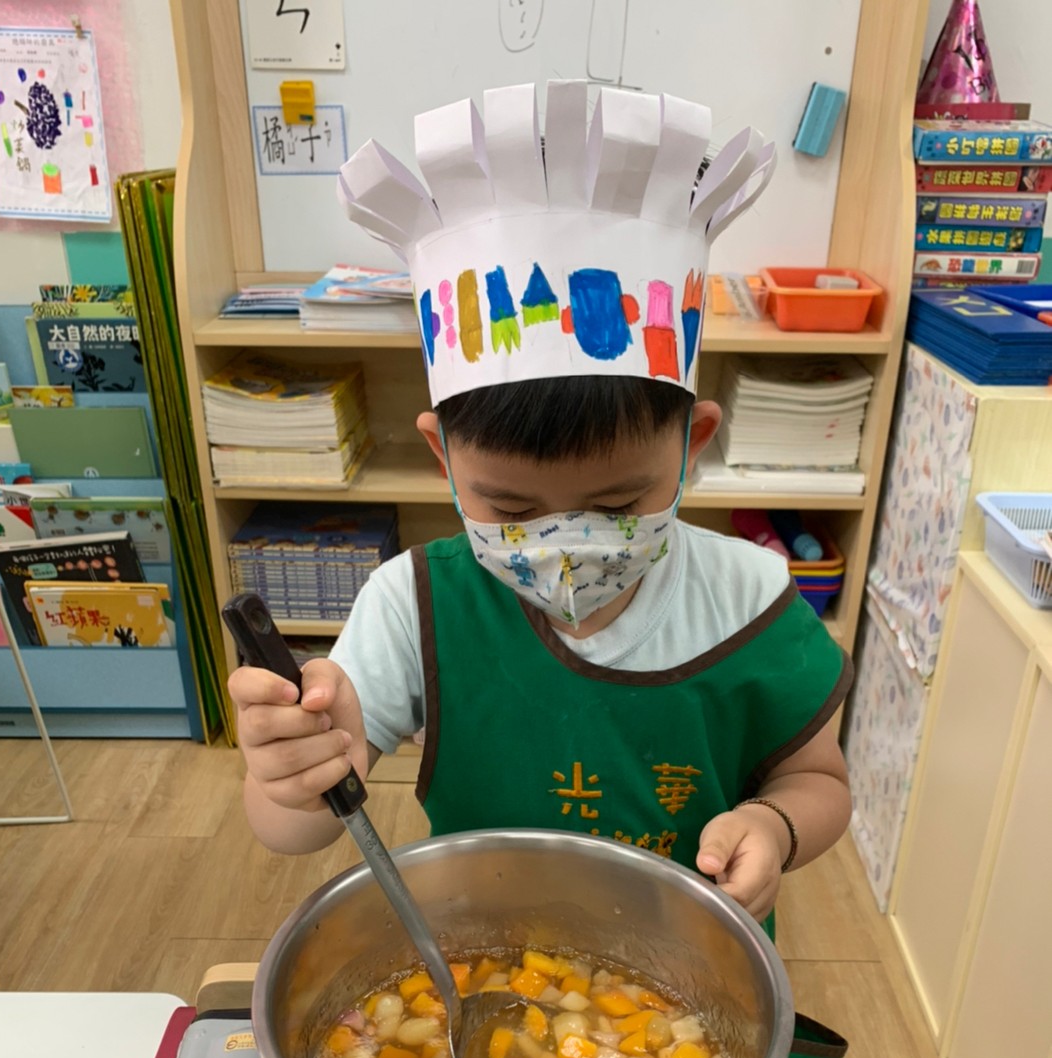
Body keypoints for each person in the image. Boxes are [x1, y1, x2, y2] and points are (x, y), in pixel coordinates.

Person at [230, 81, 852, 934]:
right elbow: (291, 830)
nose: (565, 545)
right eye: (511, 506)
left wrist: (773, 826)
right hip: (480, 949)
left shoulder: (749, 598)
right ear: (444, 458)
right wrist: (292, 771)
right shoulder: (413, 606)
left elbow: (818, 781)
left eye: (619, 499)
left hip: (692, 960)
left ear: (693, 444)